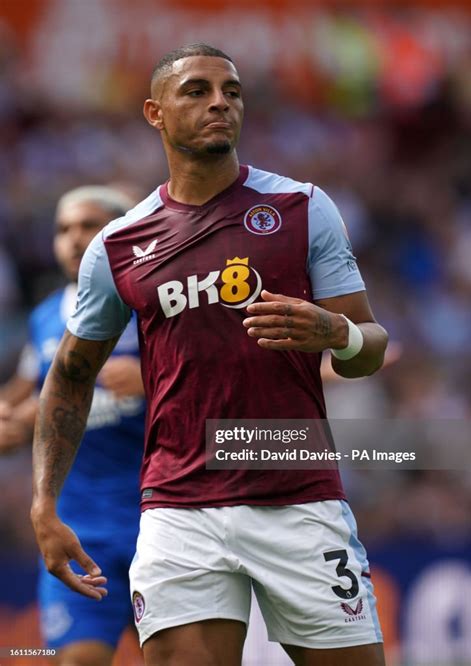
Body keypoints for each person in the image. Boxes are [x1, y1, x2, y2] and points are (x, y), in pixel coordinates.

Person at [31, 44, 389, 666]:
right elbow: (70, 377)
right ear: (155, 113)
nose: (219, 101)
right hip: (178, 509)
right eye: (196, 91)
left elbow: (369, 349)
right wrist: (44, 503)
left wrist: (339, 333)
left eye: (231, 90)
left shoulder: (302, 208)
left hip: (297, 493)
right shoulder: (118, 245)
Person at [1, 186, 146, 666]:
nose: (75, 239)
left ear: (122, 234)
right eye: (64, 229)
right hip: (79, 527)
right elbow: (30, 395)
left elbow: (221, 384)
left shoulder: (156, 307)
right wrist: (11, 424)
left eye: (90, 226)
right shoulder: (45, 319)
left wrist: (152, 378)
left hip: (163, 521)